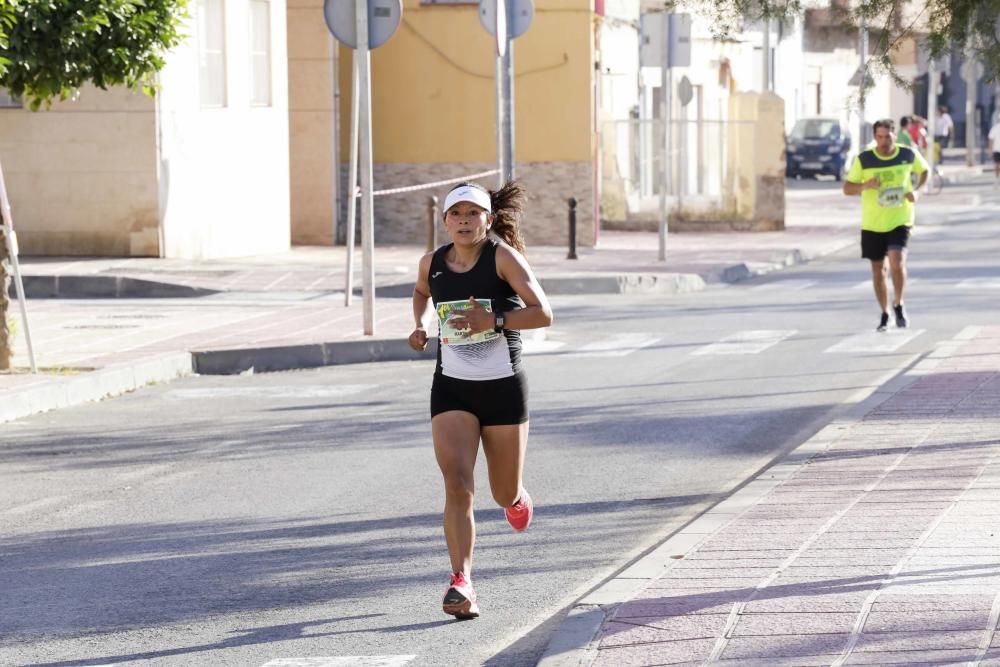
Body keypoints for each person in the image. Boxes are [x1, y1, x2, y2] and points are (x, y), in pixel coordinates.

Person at [408, 180, 553, 620]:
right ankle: (462, 581)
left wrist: (496, 318)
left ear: (488, 221)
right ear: (445, 220)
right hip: (451, 387)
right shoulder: (432, 263)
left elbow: (543, 312)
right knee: (456, 483)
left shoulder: (503, 258)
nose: (465, 222)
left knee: (501, 491)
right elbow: (420, 294)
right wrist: (419, 324)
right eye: (457, 214)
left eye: (474, 214)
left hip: (503, 388)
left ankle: (516, 498)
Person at [843, 118, 928, 332]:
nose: (883, 141)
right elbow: (847, 188)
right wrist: (865, 185)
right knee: (878, 270)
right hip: (873, 223)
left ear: (894, 134)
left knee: (897, 261)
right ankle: (885, 312)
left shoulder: (907, 154)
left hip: (901, 218)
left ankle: (898, 303)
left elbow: (924, 171)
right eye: (879, 137)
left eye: (887, 137)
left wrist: (917, 191)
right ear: (874, 137)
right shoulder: (864, 159)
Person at [989, 115, 1000, 185]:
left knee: (997, 165)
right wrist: (990, 149)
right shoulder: (995, 128)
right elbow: (991, 139)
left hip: (995, 149)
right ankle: (997, 179)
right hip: (996, 149)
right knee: (996, 165)